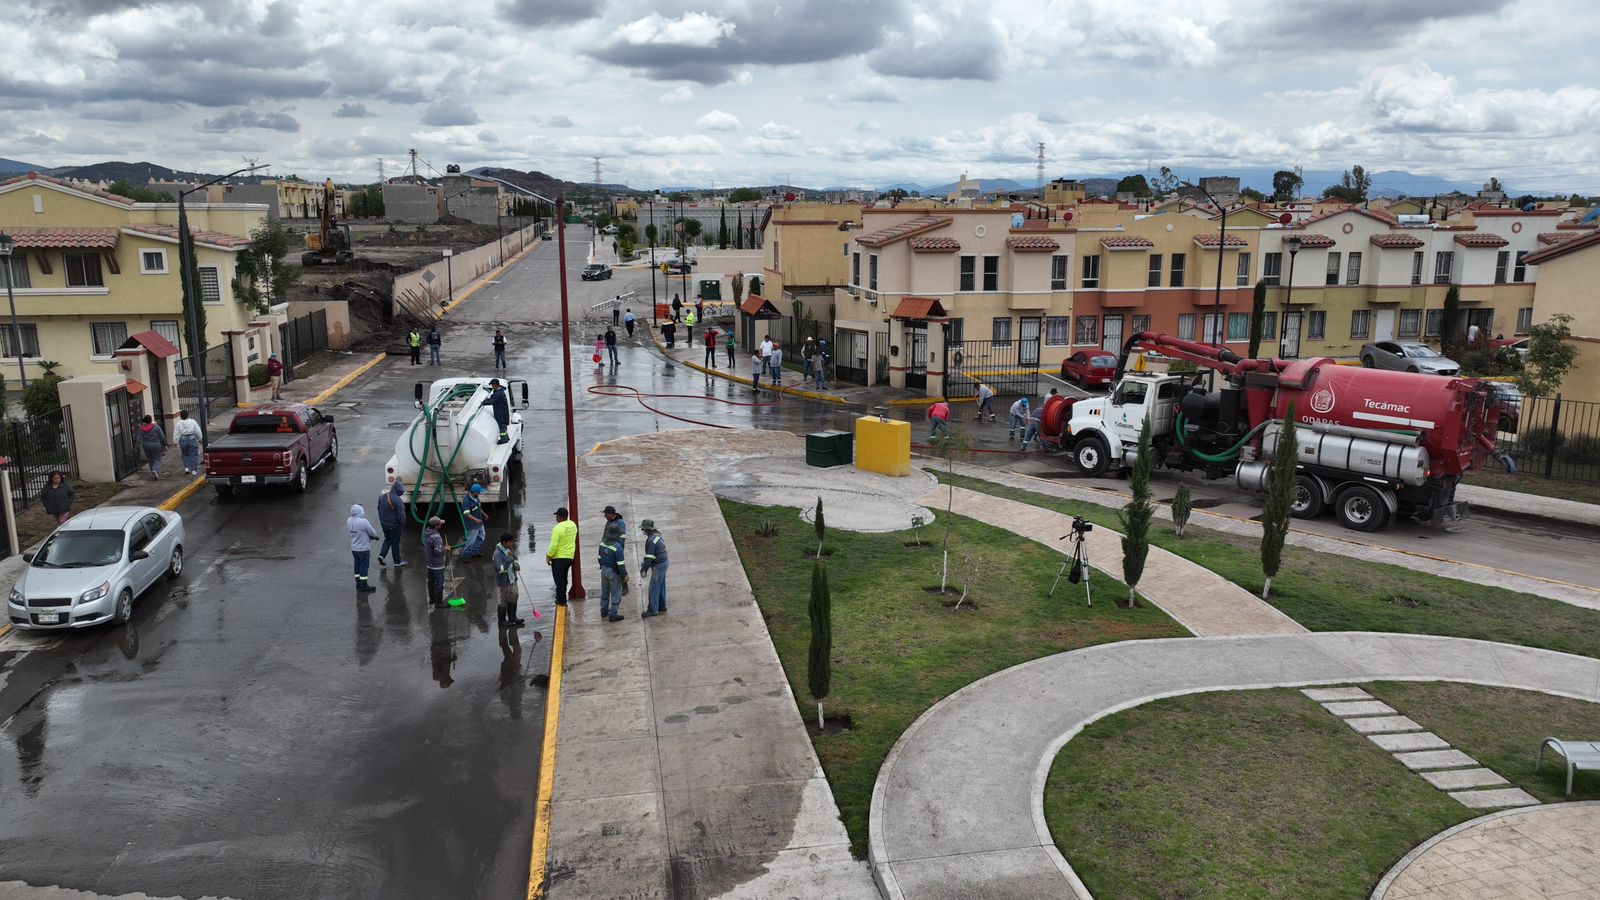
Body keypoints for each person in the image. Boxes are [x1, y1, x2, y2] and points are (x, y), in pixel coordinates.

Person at [493, 531, 525, 627]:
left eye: (512, 542)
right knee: (503, 600)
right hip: (503, 582)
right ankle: (502, 620)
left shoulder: (509, 548)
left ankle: (512, 617)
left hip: (512, 580)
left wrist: (515, 564)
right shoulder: (497, 554)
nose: (511, 544)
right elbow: (501, 569)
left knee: (514, 597)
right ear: (503, 542)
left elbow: (514, 558)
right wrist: (509, 560)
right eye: (510, 542)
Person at [598, 521, 626, 622]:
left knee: (605, 592)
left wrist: (603, 565)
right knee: (615, 593)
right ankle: (613, 614)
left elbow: (599, 558)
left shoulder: (602, 543)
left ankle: (604, 611)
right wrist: (624, 575)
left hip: (604, 570)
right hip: (613, 573)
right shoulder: (617, 547)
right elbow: (621, 564)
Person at [547, 507, 576, 605]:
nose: (556, 518)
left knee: (559, 580)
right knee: (564, 578)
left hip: (559, 558)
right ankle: (562, 596)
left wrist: (549, 556)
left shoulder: (557, 528)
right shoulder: (573, 525)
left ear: (560, 517)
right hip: (569, 557)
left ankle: (562, 600)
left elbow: (553, 545)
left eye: (557, 516)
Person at [348, 504, 379, 593]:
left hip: (354, 548)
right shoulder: (363, 521)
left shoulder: (349, 520)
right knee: (364, 567)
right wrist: (375, 537)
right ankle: (363, 585)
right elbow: (372, 532)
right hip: (363, 549)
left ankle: (358, 583)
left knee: (357, 565)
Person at [641, 519, 669, 617]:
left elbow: (649, 557)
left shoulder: (651, 541)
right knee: (660, 586)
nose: (643, 531)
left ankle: (653, 610)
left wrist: (644, 569)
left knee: (654, 588)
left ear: (648, 529)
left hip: (659, 565)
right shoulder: (657, 535)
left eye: (644, 529)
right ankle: (662, 606)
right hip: (664, 562)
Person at [376, 481, 407, 567]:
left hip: (384, 524)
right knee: (395, 543)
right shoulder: (397, 500)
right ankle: (397, 562)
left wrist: (382, 521)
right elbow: (401, 515)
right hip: (394, 526)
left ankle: (381, 555)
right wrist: (402, 524)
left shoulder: (382, 497)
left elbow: (379, 509)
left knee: (388, 539)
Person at [424, 516, 449, 608]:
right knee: (439, 583)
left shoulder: (427, 533)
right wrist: (446, 549)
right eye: (439, 524)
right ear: (436, 525)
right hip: (437, 564)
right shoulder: (436, 536)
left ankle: (432, 599)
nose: (441, 525)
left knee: (431, 582)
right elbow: (438, 551)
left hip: (429, 563)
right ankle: (438, 602)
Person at [460, 483, 488, 560]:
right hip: (472, 525)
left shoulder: (476, 498)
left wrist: (484, 514)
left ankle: (475, 552)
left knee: (481, 537)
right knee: (471, 541)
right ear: (474, 492)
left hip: (479, 523)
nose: (479, 493)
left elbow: (478, 507)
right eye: (479, 492)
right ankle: (465, 556)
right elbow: (466, 514)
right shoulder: (466, 501)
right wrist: (476, 520)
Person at [174, 409, 202, 475]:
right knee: (194, 455)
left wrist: (175, 442)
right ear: (188, 415)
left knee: (184, 454)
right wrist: (200, 438)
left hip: (183, 439)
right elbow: (198, 431)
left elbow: (176, 433)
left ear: (181, 416)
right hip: (192, 438)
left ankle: (186, 468)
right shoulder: (193, 421)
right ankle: (194, 470)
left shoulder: (178, 423)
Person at [139, 415, 166, 479]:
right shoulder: (156, 427)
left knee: (150, 459)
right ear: (151, 420)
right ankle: (155, 470)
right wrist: (164, 444)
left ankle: (153, 473)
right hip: (155, 445)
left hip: (145, 445)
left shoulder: (141, 428)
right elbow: (162, 436)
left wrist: (136, 446)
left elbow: (139, 438)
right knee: (157, 459)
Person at [488, 378, 511, 445]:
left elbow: (493, 401)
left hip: (501, 412)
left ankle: (504, 440)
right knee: (503, 426)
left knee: (502, 426)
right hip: (501, 411)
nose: (491, 386)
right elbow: (493, 398)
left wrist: (484, 402)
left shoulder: (499, 393)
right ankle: (506, 437)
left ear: (495, 385)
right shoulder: (498, 391)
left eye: (492, 385)